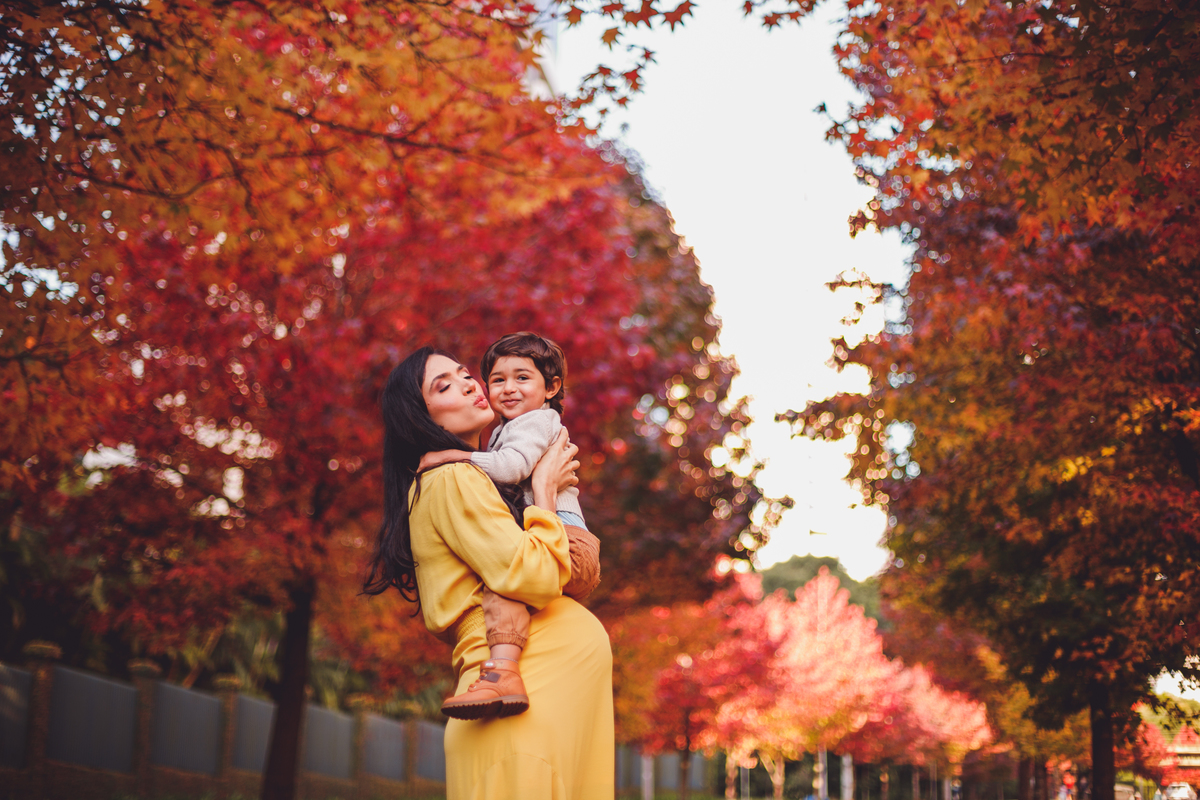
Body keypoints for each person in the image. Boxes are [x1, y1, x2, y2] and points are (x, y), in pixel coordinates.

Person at [363, 346, 614, 799]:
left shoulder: (475, 472)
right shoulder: (452, 477)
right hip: (524, 699)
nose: (469, 385)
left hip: (546, 694)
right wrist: (543, 492)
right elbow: (533, 575)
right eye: (444, 386)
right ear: (421, 418)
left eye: (463, 375)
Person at [417, 332, 599, 720]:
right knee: (504, 578)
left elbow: (512, 467)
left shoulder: (534, 423)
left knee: (504, 581)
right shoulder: (507, 431)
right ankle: (504, 672)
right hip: (559, 540)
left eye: (522, 378)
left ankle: (502, 671)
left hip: (569, 541)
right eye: (497, 379)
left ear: (551, 388)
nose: (507, 388)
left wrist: (453, 455)